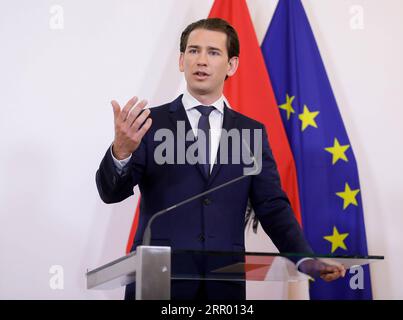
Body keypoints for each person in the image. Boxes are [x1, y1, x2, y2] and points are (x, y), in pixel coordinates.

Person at [96, 18, 345, 300]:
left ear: (231, 65)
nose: (201, 60)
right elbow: (111, 192)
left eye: (213, 52)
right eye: (193, 50)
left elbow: (272, 206)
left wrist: (305, 259)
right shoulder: (149, 124)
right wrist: (121, 152)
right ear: (181, 60)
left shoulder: (250, 132)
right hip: (159, 282)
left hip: (224, 285)